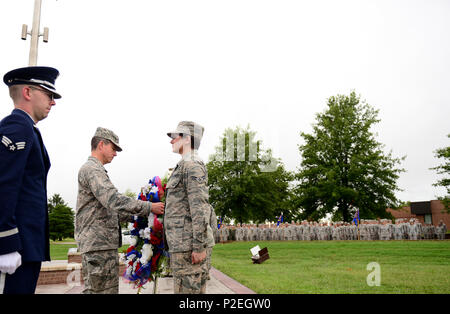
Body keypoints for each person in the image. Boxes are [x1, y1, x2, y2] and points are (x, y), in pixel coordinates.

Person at [75, 127, 164, 294]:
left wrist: (138, 218)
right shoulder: (92, 170)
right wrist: (148, 207)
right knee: (100, 291)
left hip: (101, 244)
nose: (115, 153)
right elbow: (113, 199)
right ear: (101, 144)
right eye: (113, 148)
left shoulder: (97, 170)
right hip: (97, 245)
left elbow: (109, 210)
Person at [0, 66, 61, 294]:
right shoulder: (17, 127)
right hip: (16, 249)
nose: (53, 102)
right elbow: (4, 185)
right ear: (27, 92)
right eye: (49, 94)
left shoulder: (29, 129)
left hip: (26, 247)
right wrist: (5, 244)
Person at [164, 121, 215, 294]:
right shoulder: (185, 164)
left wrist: (199, 247)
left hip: (188, 248)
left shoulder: (192, 165)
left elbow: (199, 208)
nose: (171, 141)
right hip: (182, 246)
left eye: (174, 136)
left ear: (187, 139)